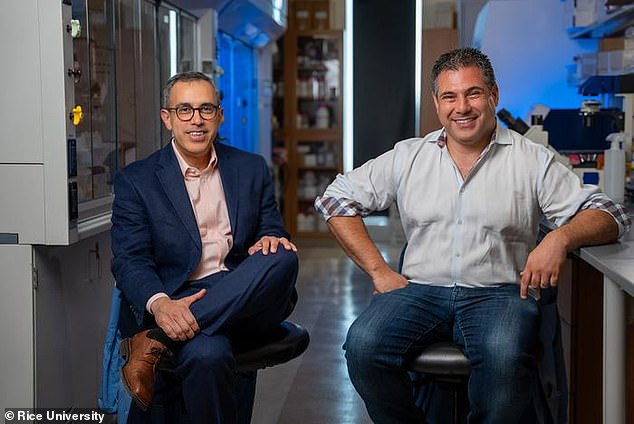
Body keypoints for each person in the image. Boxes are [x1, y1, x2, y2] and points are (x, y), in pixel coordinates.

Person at [314, 47, 631, 423]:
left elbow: (611, 214)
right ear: (436, 103)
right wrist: (378, 270)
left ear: (493, 95)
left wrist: (558, 239)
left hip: (499, 295)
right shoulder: (408, 156)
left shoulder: (530, 159)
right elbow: (336, 199)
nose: (461, 107)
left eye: (473, 93)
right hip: (419, 291)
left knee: (504, 356)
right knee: (363, 347)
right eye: (449, 96)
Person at [111, 71, 298, 424]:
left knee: (283, 256)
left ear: (220, 115)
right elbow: (130, 260)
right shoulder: (137, 180)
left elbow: (271, 227)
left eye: (206, 109)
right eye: (184, 110)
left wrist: (270, 237)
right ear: (167, 118)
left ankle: (156, 338)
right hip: (179, 295)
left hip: (243, 294)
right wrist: (162, 304)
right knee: (207, 355)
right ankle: (175, 326)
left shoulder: (251, 168)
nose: (196, 120)